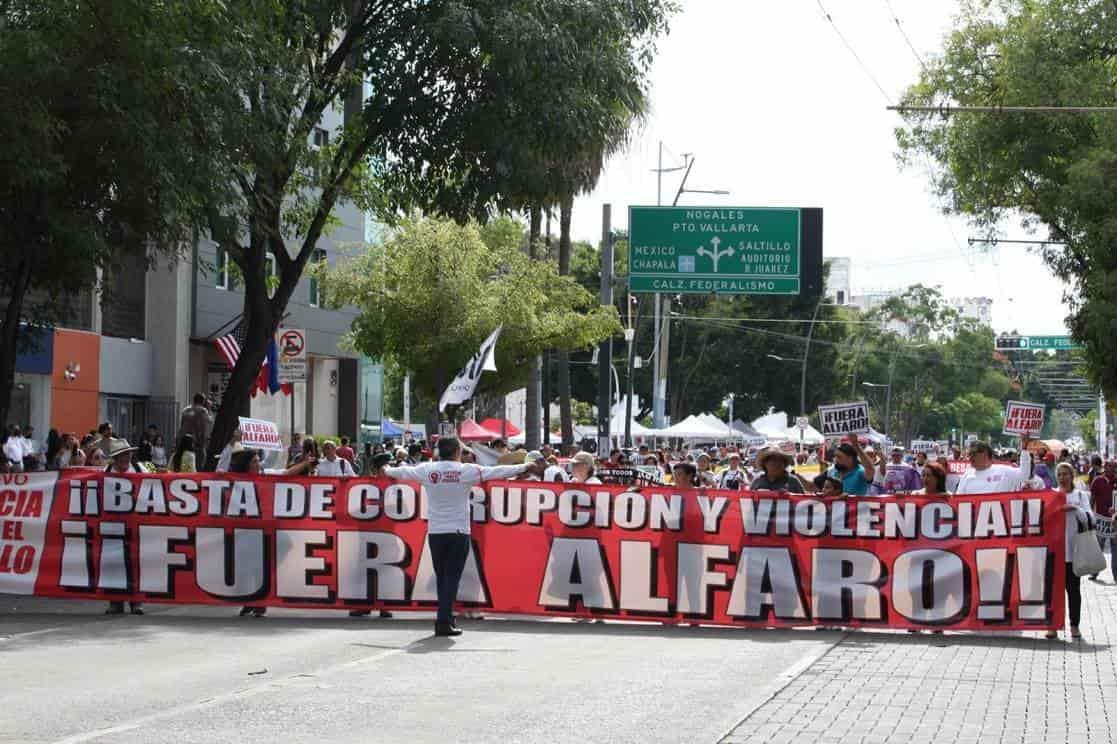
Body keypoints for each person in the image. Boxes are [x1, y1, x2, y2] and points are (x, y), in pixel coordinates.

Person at [383, 437, 539, 636]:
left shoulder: (427, 470)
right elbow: (496, 472)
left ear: (440, 451)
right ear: (457, 451)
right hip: (458, 532)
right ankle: (443, 620)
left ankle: (446, 617)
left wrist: (386, 469)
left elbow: (403, 472)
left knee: (442, 578)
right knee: (452, 578)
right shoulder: (465, 470)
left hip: (436, 532)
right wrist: (524, 466)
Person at [1050, 462, 1091, 640]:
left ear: (1072, 475)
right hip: (1054, 551)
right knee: (1053, 591)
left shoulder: (1080, 495)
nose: (1062, 477)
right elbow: (1043, 517)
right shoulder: (1051, 494)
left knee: (1073, 590)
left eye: (1066, 474)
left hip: (1074, 551)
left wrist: (1074, 509)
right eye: (1059, 474)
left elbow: (1090, 519)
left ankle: (1074, 625)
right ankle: (1053, 625)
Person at [104, 439, 144, 615]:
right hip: (112, 525)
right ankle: (115, 602)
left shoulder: (141, 470)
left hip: (135, 525)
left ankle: (136, 602)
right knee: (113, 565)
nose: (126, 458)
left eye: (128, 454)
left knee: (136, 563)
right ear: (115, 458)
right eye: (122, 455)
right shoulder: (104, 474)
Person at [954, 440, 1032, 494]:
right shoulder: (966, 475)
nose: (970, 458)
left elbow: (1024, 475)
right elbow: (959, 498)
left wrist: (1024, 450)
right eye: (969, 455)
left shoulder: (1004, 471)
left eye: (973, 454)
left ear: (984, 454)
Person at [1089, 460, 1117, 580]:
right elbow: (1092, 498)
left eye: (1113, 466)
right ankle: (1094, 572)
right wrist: (1090, 514)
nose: (1110, 468)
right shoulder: (1097, 480)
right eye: (1108, 466)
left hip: (1115, 520)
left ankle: (1116, 575)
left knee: (1115, 548)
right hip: (1100, 520)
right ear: (1104, 467)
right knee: (1098, 547)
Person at [178, 393, 211, 465]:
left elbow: (181, 426)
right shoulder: (203, 411)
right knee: (197, 466)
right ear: (203, 401)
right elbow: (206, 426)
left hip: (184, 442)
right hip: (197, 443)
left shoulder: (185, 410)